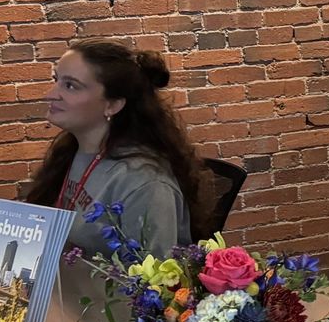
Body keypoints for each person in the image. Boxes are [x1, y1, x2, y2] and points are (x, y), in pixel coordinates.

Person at [25, 40, 206, 256]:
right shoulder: (71, 151)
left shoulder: (145, 182)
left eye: (70, 85)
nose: (51, 94)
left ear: (112, 105)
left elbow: (151, 281)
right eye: (56, 80)